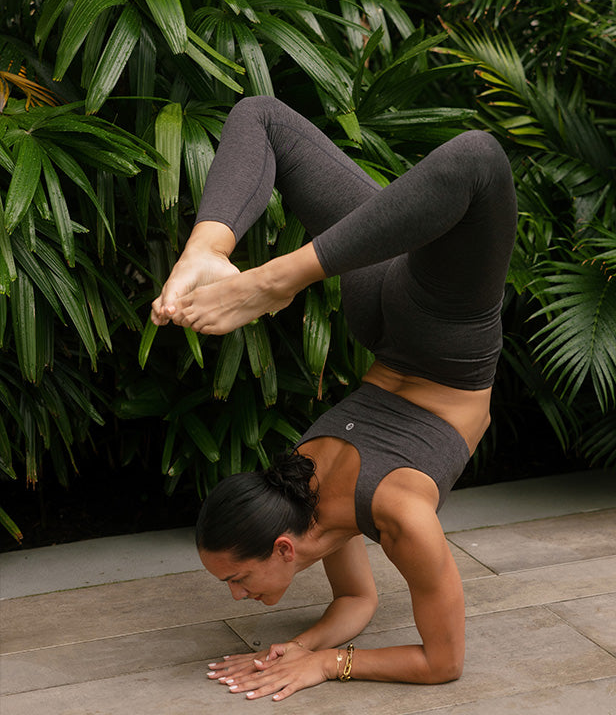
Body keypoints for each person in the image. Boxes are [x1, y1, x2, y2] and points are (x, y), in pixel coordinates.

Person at [150, 95, 516, 701]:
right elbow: (356, 599)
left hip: (443, 339)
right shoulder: (305, 489)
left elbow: (442, 662)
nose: (237, 595)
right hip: (391, 310)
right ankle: (206, 253)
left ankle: (276, 277)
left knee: (477, 163)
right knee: (262, 117)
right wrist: (305, 646)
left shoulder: (395, 514)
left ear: (283, 547)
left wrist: (329, 666)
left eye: (237, 578)